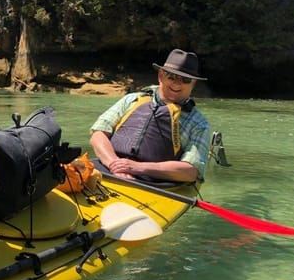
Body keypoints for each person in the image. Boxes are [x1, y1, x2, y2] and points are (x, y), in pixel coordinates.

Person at [90, 49, 211, 183]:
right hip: (108, 168)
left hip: (154, 184)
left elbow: (191, 171)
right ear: (160, 76)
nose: (177, 83)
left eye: (186, 79)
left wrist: (138, 168)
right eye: (171, 76)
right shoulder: (131, 100)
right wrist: (114, 164)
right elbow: (98, 133)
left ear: (193, 83)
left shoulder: (199, 123)